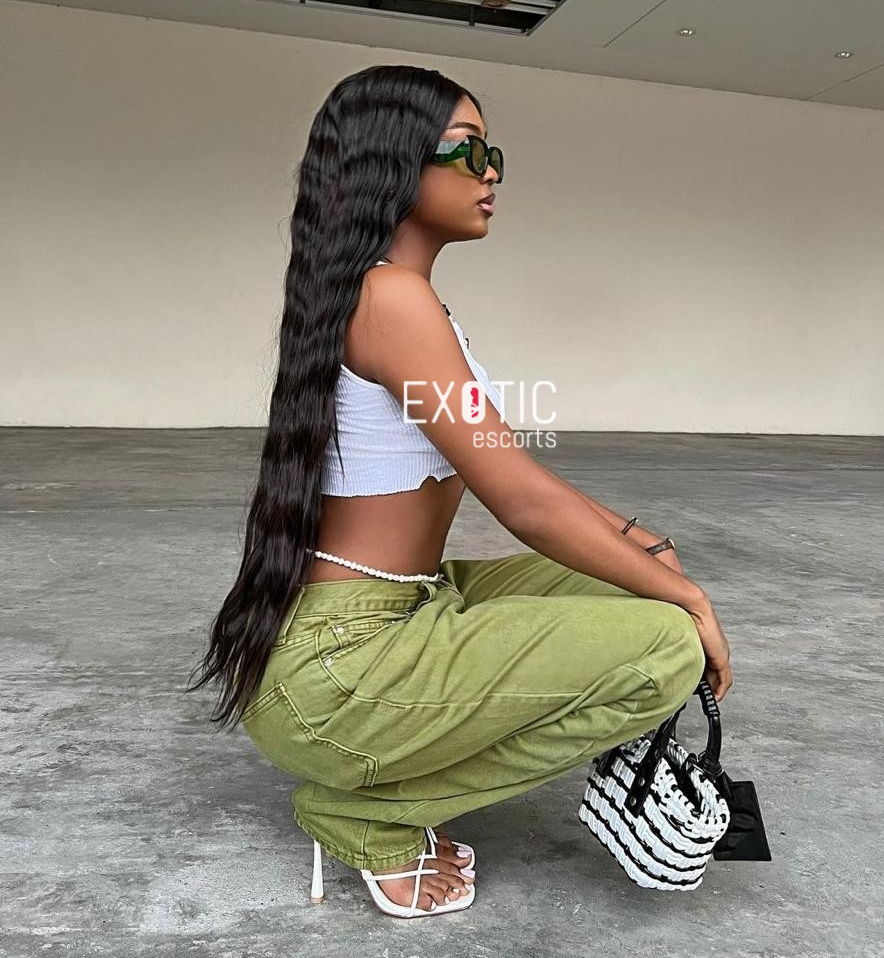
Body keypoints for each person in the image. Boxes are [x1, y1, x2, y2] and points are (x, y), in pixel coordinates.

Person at [187, 63, 733, 920]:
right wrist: (690, 600)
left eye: (493, 153)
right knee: (666, 647)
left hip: (397, 612)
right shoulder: (391, 298)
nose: (490, 172)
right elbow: (519, 502)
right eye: (467, 150)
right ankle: (370, 812)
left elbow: (508, 467)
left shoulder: (396, 298)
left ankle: (387, 776)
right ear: (392, 161)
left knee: (635, 572)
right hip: (342, 669)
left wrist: (651, 549)